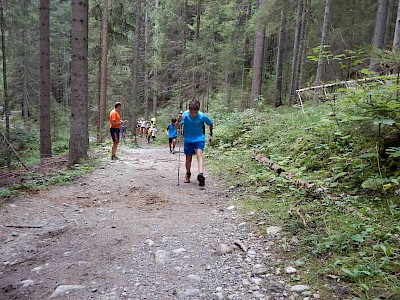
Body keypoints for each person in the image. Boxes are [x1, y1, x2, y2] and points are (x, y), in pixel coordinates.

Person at [179, 99, 213, 186]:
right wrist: (179, 120)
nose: (193, 114)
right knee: (188, 159)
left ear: (197, 111)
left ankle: (200, 174)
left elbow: (210, 123)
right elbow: (176, 127)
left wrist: (211, 134)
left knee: (199, 154)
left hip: (199, 138)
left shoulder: (201, 116)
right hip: (188, 139)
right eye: (191, 111)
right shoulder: (185, 115)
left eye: (194, 112)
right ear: (189, 110)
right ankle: (188, 173)